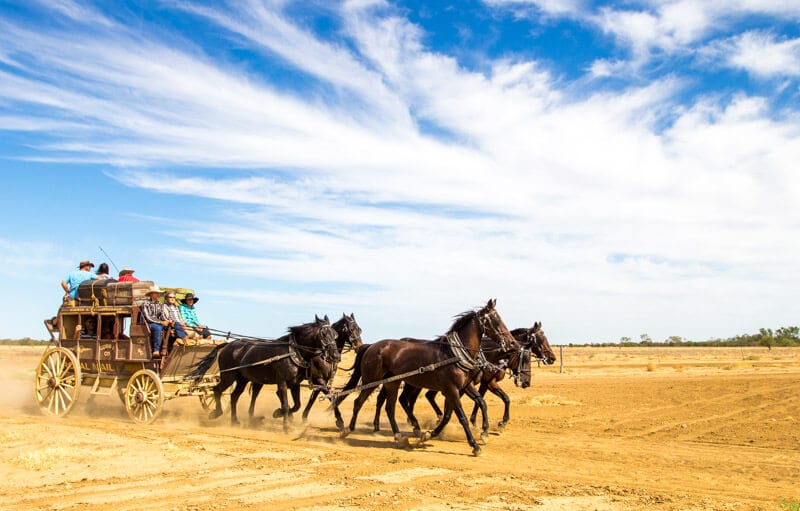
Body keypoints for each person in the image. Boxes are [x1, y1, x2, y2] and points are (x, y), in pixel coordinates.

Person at [140, 285, 171, 357]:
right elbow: (148, 318)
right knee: (158, 328)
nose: (158, 295)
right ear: (151, 294)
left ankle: (168, 349)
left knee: (171, 327)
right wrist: (161, 322)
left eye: (158, 293)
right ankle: (156, 350)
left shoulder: (160, 304)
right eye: (156, 293)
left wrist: (167, 321)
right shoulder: (145, 304)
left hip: (158, 323)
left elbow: (162, 315)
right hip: (148, 324)